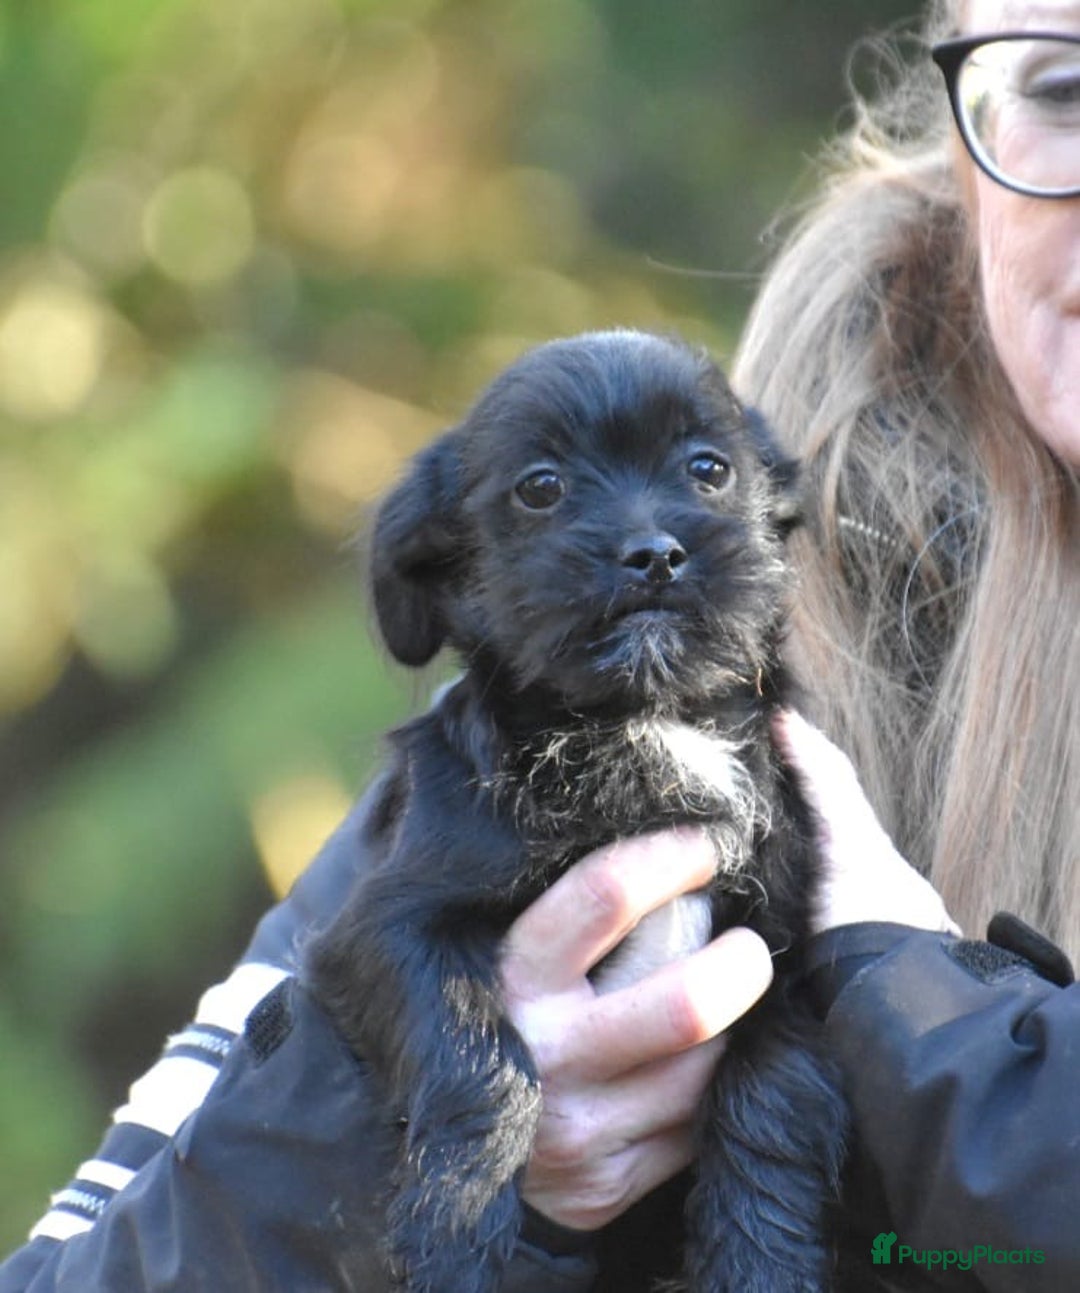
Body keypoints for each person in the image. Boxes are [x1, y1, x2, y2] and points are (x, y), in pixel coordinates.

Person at [2, 0, 1077, 1288]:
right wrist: (391, 1155)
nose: (649, 542)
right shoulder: (527, 737)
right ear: (969, 137)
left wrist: (929, 1022)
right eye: (1064, 84)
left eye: (694, 478)